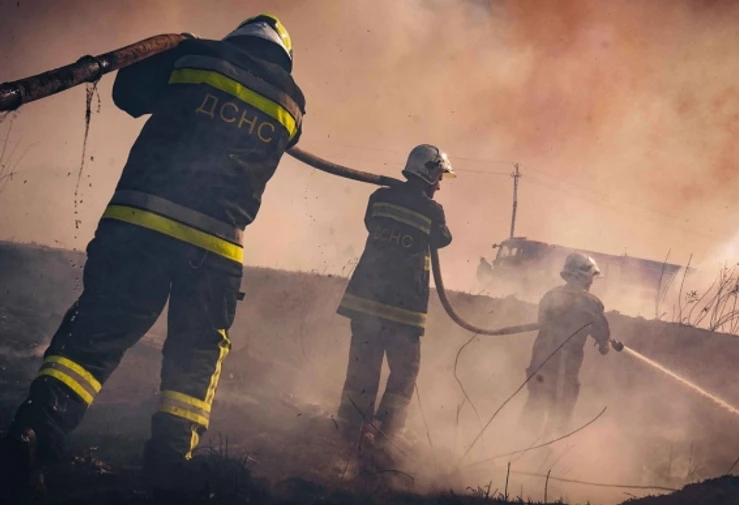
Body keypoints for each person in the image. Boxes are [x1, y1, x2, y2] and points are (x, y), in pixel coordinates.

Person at [0, 14, 306, 500]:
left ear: (237, 38)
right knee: (196, 356)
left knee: (96, 334)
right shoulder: (292, 103)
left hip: (139, 225)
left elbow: (129, 96)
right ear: (283, 58)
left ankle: (35, 432)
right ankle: (169, 464)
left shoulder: (196, 54)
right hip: (215, 247)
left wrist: (171, 55)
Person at [334, 144, 454, 467]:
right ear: (428, 173)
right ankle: (385, 434)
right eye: (439, 177)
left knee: (362, 367)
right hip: (403, 312)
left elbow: (371, 223)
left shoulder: (380, 198)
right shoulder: (433, 211)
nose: (440, 185)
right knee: (404, 373)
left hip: (365, 302)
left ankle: (349, 431)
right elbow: (444, 238)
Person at [520, 252, 624, 440]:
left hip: (540, 365)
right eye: (591, 278)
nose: (591, 283)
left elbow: (542, 320)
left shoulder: (550, 296)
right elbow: (603, 339)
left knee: (535, 404)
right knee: (561, 411)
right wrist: (604, 344)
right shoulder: (592, 303)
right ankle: (549, 451)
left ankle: (520, 446)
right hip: (566, 369)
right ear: (583, 277)